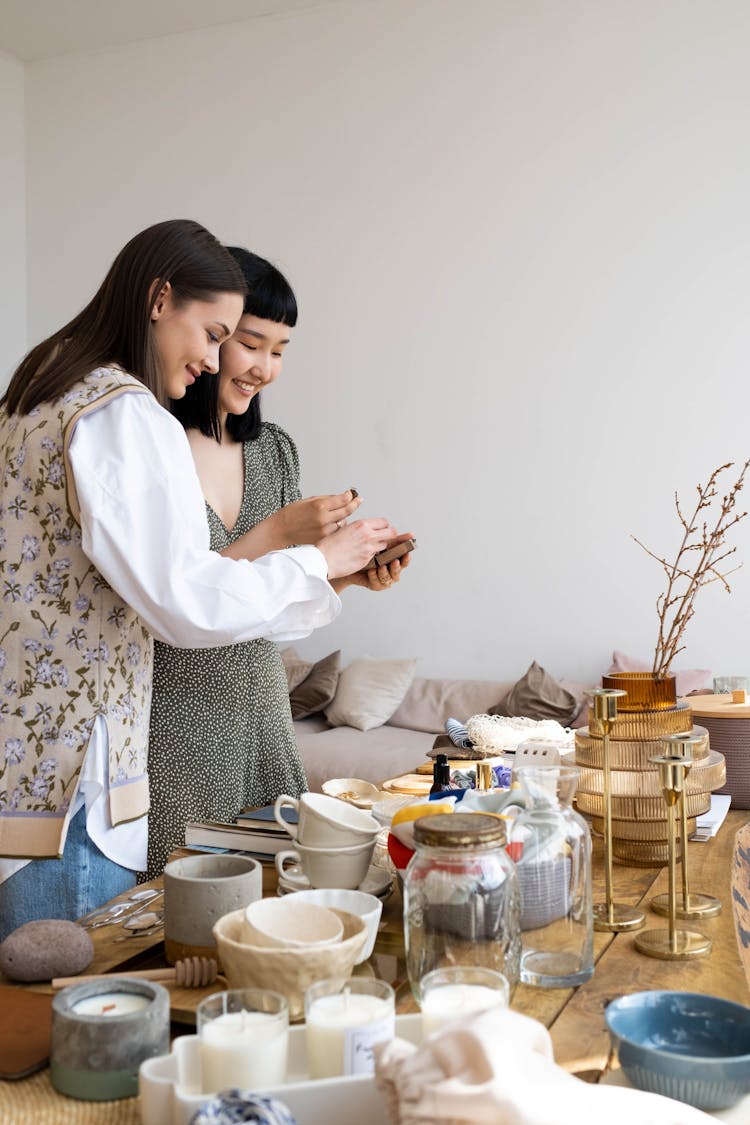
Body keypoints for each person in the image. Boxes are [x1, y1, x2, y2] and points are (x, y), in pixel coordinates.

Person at [0, 220, 397, 939]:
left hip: (24, 780)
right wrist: (316, 561)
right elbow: (183, 599)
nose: (215, 358)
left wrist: (329, 577)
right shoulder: (123, 412)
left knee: (26, 1024)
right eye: (215, 334)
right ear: (159, 299)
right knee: (87, 1030)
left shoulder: (41, 382)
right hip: (81, 798)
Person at [146, 248, 411, 877]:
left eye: (281, 350)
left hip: (260, 713)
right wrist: (282, 535)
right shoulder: (152, 443)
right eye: (249, 344)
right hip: (173, 721)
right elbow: (174, 599)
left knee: (274, 897)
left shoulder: (273, 451)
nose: (265, 367)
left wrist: (342, 574)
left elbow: (267, 601)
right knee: (174, 911)